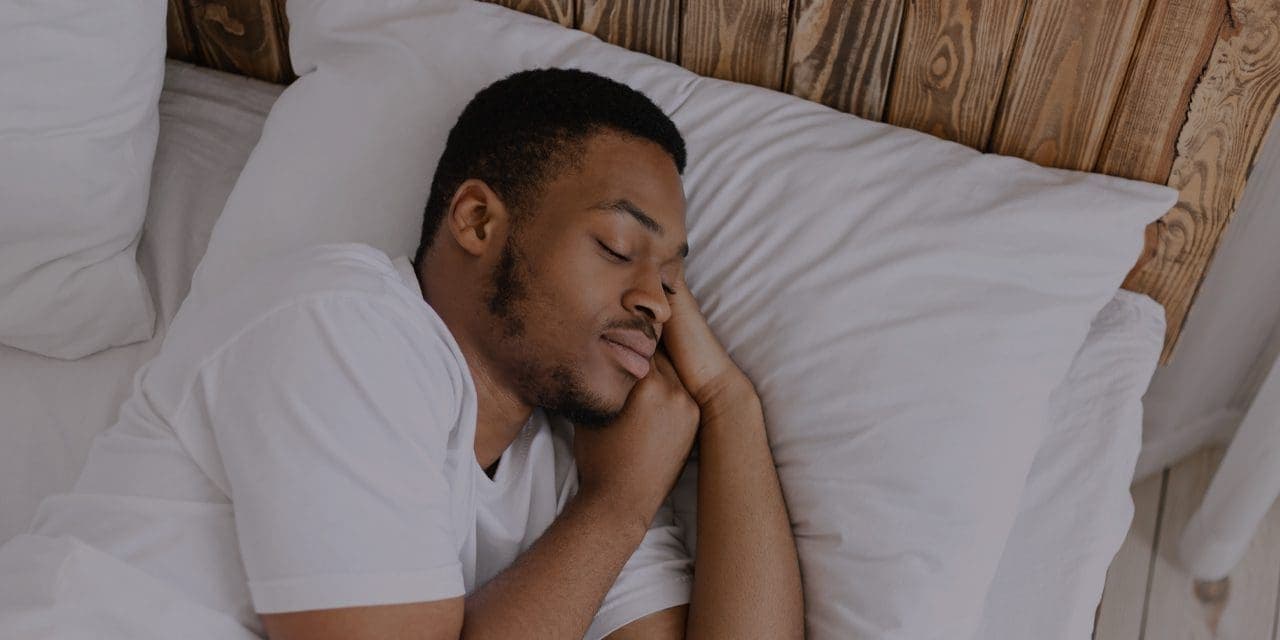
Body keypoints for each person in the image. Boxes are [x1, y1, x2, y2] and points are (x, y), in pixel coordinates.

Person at [0, 68, 803, 639]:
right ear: (478, 222)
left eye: (673, 278)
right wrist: (616, 508)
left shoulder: (583, 475)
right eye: (618, 247)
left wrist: (729, 405)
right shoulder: (342, 323)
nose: (657, 301)